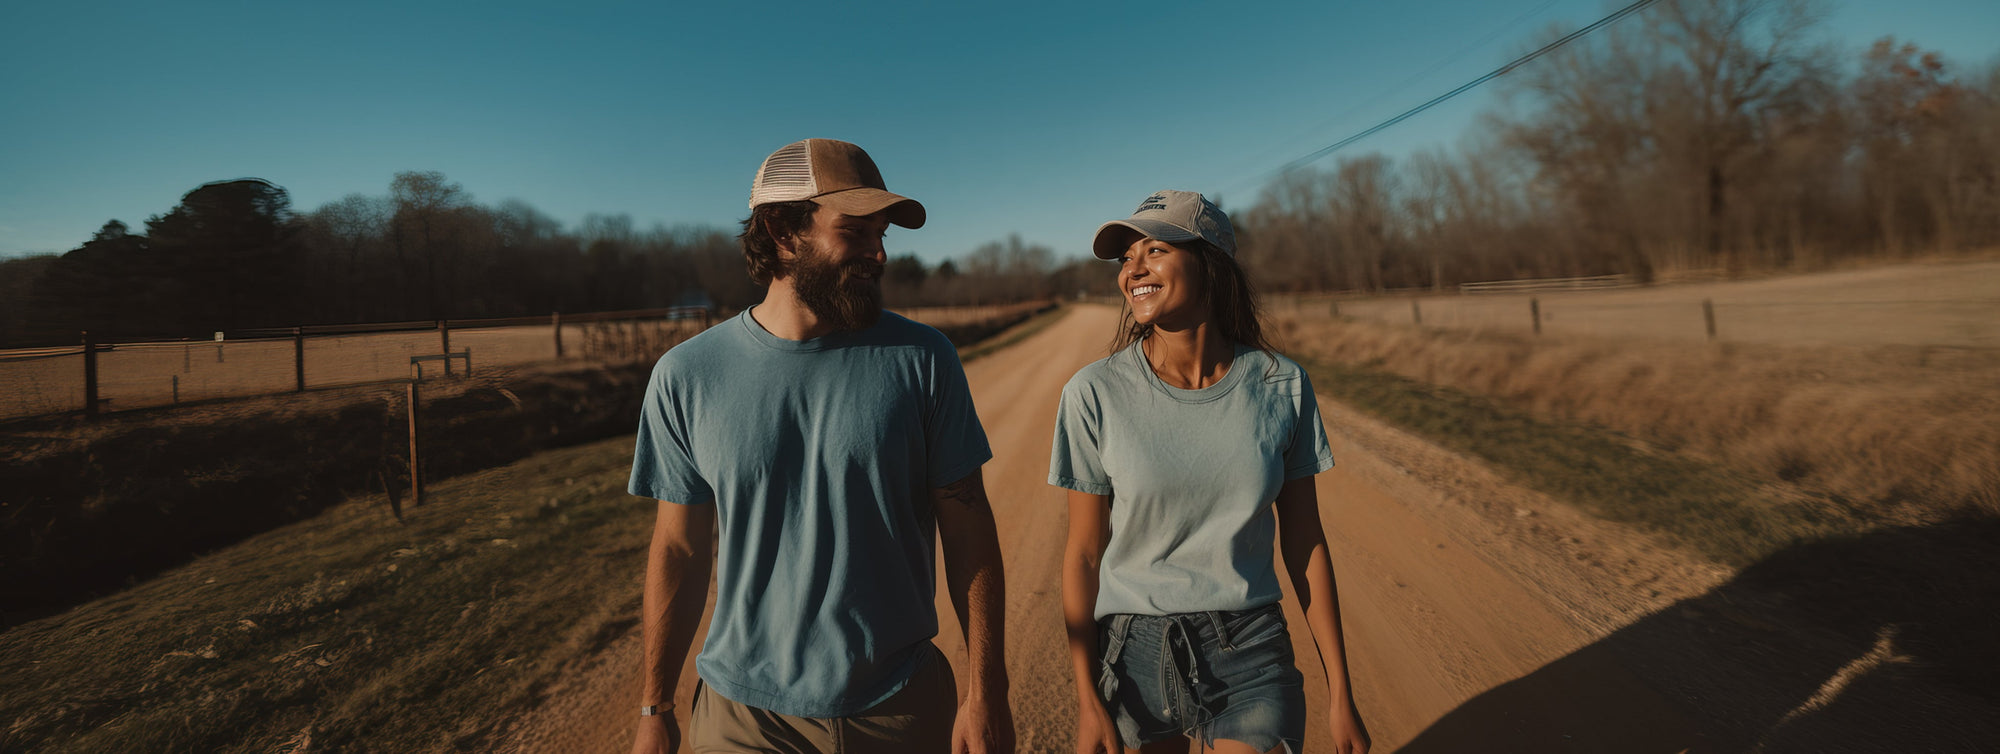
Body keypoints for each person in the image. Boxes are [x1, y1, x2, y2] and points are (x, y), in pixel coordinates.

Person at [628, 138, 1013, 754]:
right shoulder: (687, 375)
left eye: (882, 233)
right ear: (782, 229)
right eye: (856, 231)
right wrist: (654, 705)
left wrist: (986, 691)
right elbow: (677, 547)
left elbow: (969, 532)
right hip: (743, 720)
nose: (879, 253)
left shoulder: (923, 360)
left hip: (902, 707)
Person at [1051, 190, 1370, 754]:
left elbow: (1305, 541)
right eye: (1126, 258)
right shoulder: (1093, 393)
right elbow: (1082, 554)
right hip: (1134, 651)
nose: (1134, 270)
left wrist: (1340, 690)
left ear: (1210, 263)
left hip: (1250, 646)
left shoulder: (1282, 385)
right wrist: (1087, 699)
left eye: (1155, 250)